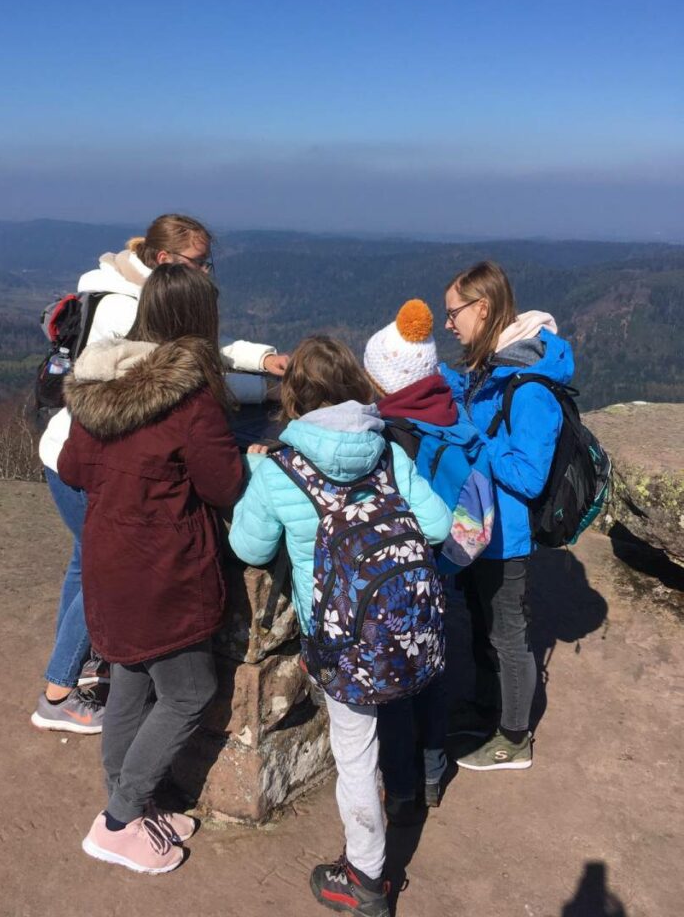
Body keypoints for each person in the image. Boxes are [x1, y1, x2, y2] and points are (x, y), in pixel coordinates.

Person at [32, 213, 288, 734]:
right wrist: (261, 394)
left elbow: (200, 356)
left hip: (75, 450)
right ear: (166, 258)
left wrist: (261, 363)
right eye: (200, 262)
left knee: (86, 563)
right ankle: (58, 692)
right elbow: (179, 378)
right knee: (101, 568)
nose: (208, 271)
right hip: (81, 454)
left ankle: (80, 668)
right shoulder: (126, 308)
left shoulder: (146, 294)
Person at [229, 335, 452, 917]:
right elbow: (436, 526)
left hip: (338, 640)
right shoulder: (387, 453)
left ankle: (366, 878)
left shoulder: (281, 470)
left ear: (295, 397)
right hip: (400, 630)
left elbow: (249, 548)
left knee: (354, 755)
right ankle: (406, 797)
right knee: (391, 711)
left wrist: (256, 473)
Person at [58, 264, 244, 874]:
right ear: (200, 321)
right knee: (190, 692)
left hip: (108, 562)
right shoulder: (190, 398)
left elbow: (74, 467)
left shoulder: (102, 384)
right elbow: (223, 486)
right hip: (163, 572)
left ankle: (132, 806)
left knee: (132, 685)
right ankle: (118, 822)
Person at [364, 298, 494, 822]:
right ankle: (435, 773)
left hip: (401, 575)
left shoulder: (392, 433)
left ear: (385, 380)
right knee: (434, 672)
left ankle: (401, 791)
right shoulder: (446, 411)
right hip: (441, 570)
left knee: (397, 685)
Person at [441, 260, 574, 771]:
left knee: (508, 637)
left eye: (453, 313)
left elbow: (528, 475)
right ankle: (485, 707)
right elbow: (477, 406)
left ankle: (514, 738)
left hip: (508, 535)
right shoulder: (493, 367)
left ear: (482, 308)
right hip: (481, 528)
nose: (448, 323)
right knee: (481, 625)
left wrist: (474, 441)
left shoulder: (530, 387)